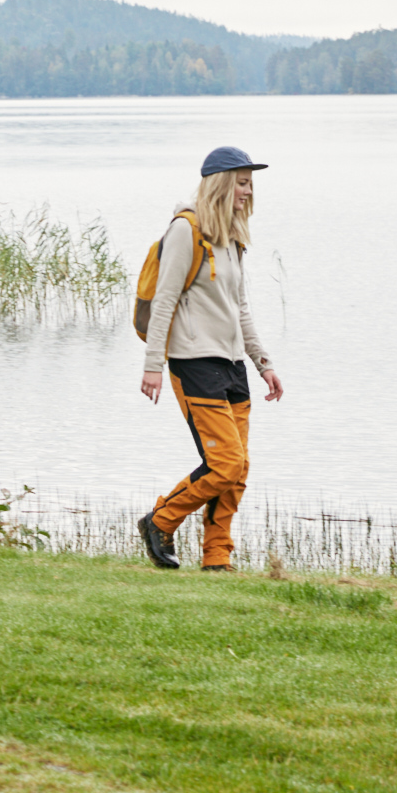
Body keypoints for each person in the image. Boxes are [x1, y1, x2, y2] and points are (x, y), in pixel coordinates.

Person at [137, 145, 285, 571]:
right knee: (224, 463)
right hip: (193, 361)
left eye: (250, 184)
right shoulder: (186, 230)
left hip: (232, 363)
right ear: (220, 184)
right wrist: (152, 366)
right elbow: (164, 300)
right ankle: (160, 520)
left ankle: (217, 557)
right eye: (241, 182)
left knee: (238, 469)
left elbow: (240, 308)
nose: (247, 191)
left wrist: (264, 363)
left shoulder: (232, 236)